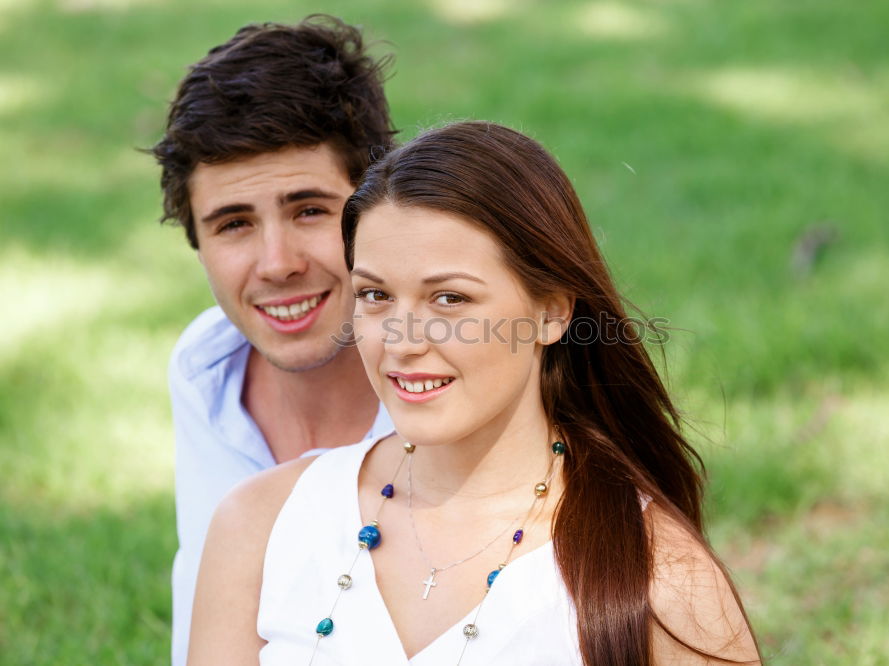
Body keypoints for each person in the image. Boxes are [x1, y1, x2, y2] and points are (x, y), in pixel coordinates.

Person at [188, 122, 762, 665]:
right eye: (375, 296)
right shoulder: (259, 524)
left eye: (450, 300)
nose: (402, 342)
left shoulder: (657, 578)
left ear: (552, 311)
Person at [149, 15, 397, 664]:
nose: (277, 262)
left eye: (309, 209)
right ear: (197, 243)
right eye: (233, 224)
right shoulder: (205, 371)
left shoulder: (454, 390)